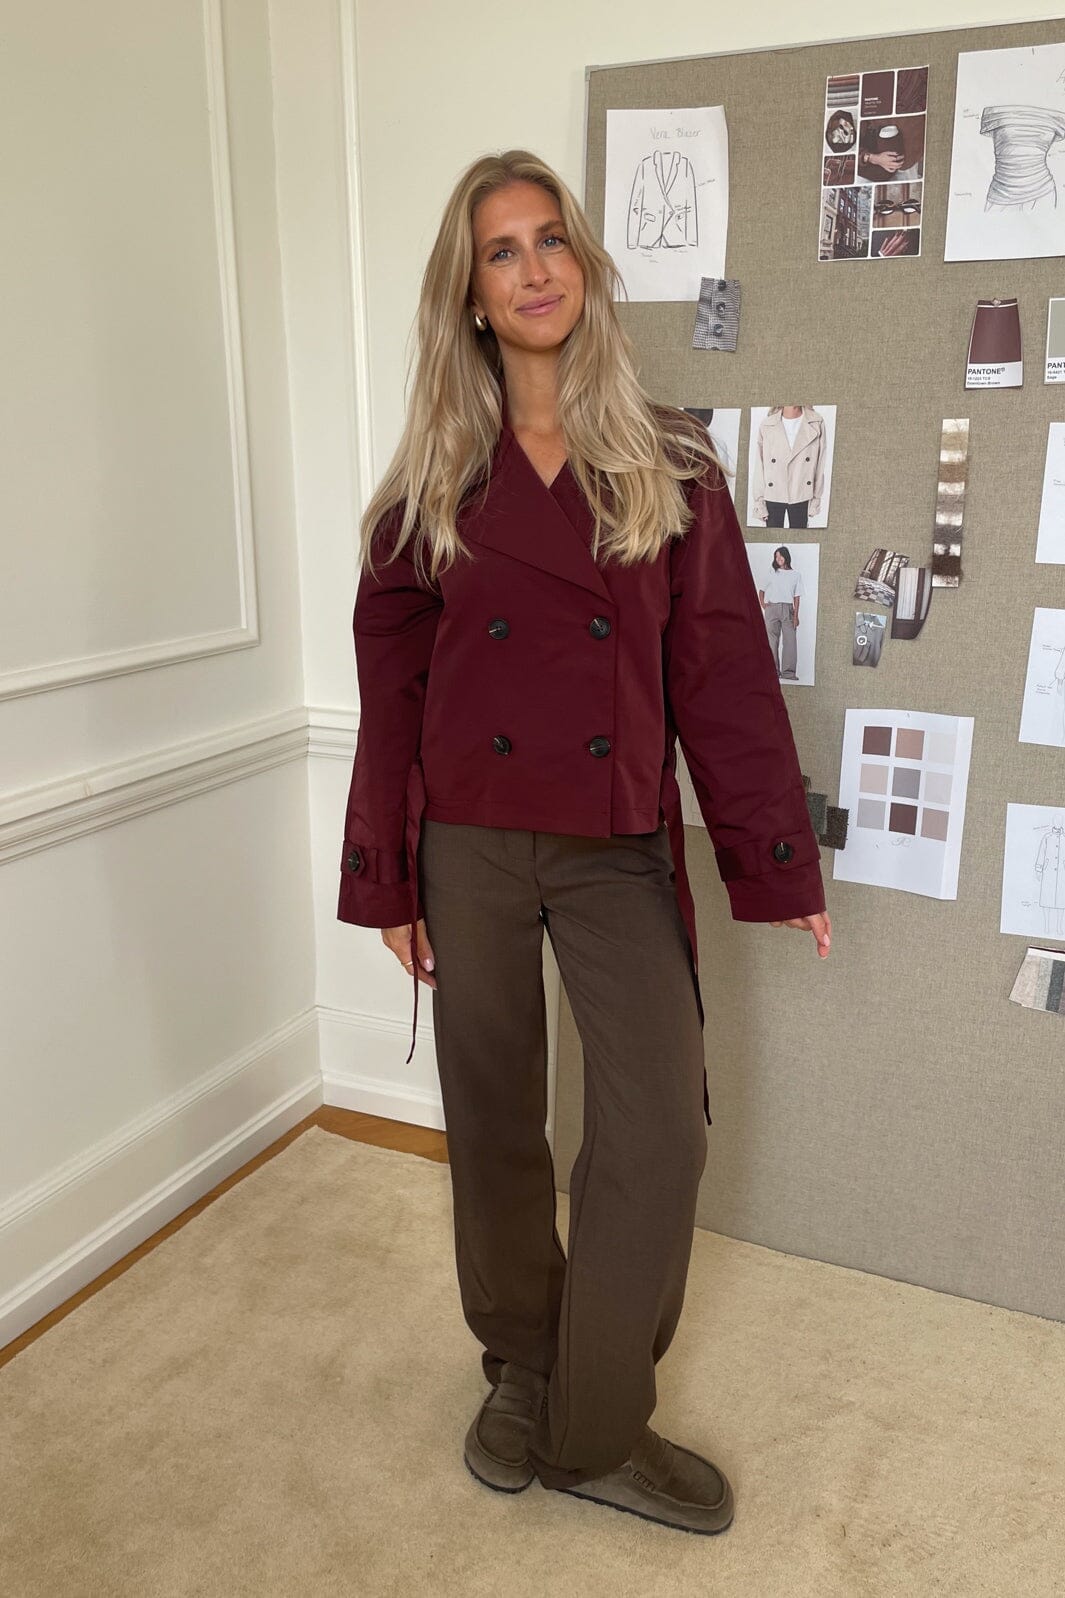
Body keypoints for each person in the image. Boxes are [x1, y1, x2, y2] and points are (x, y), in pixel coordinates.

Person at [337, 149, 831, 1537]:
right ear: (472, 294)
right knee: (497, 1122)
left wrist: (776, 860)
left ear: (586, 264)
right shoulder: (432, 484)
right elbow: (393, 698)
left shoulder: (669, 460)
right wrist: (389, 872)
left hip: (616, 841)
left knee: (658, 1127)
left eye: (551, 239)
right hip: (472, 842)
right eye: (501, 251)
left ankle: (596, 1421)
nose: (534, 268)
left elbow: (723, 677)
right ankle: (522, 1363)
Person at [759, 545, 804, 680]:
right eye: (776, 556)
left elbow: (797, 597)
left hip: (788, 609)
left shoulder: (796, 575)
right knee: (771, 641)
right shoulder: (772, 572)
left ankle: (788, 673)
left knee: (790, 641)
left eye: (780, 555)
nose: (778, 558)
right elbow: (761, 590)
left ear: (786, 556)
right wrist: (763, 605)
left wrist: (796, 616)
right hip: (772, 609)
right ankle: (773, 671)